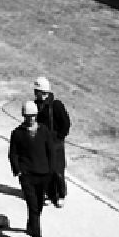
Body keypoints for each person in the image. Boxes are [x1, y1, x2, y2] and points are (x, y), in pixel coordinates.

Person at [9, 100, 53, 237]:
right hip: (27, 175)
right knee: (33, 207)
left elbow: (50, 151)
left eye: (33, 116)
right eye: (28, 116)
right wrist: (18, 171)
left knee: (39, 205)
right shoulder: (17, 133)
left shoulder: (44, 131)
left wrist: (51, 171)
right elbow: (13, 154)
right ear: (23, 116)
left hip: (42, 174)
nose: (31, 119)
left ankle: (31, 225)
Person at [34, 75, 71, 208]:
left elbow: (66, 123)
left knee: (58, 170)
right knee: (47, 170)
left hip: (56, 144)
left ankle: (60, 195)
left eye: (39, 92)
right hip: (43, 144)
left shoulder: (56, 105)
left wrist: (59, 137)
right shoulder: (36, 106)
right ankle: (50, 194)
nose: (37, 95)